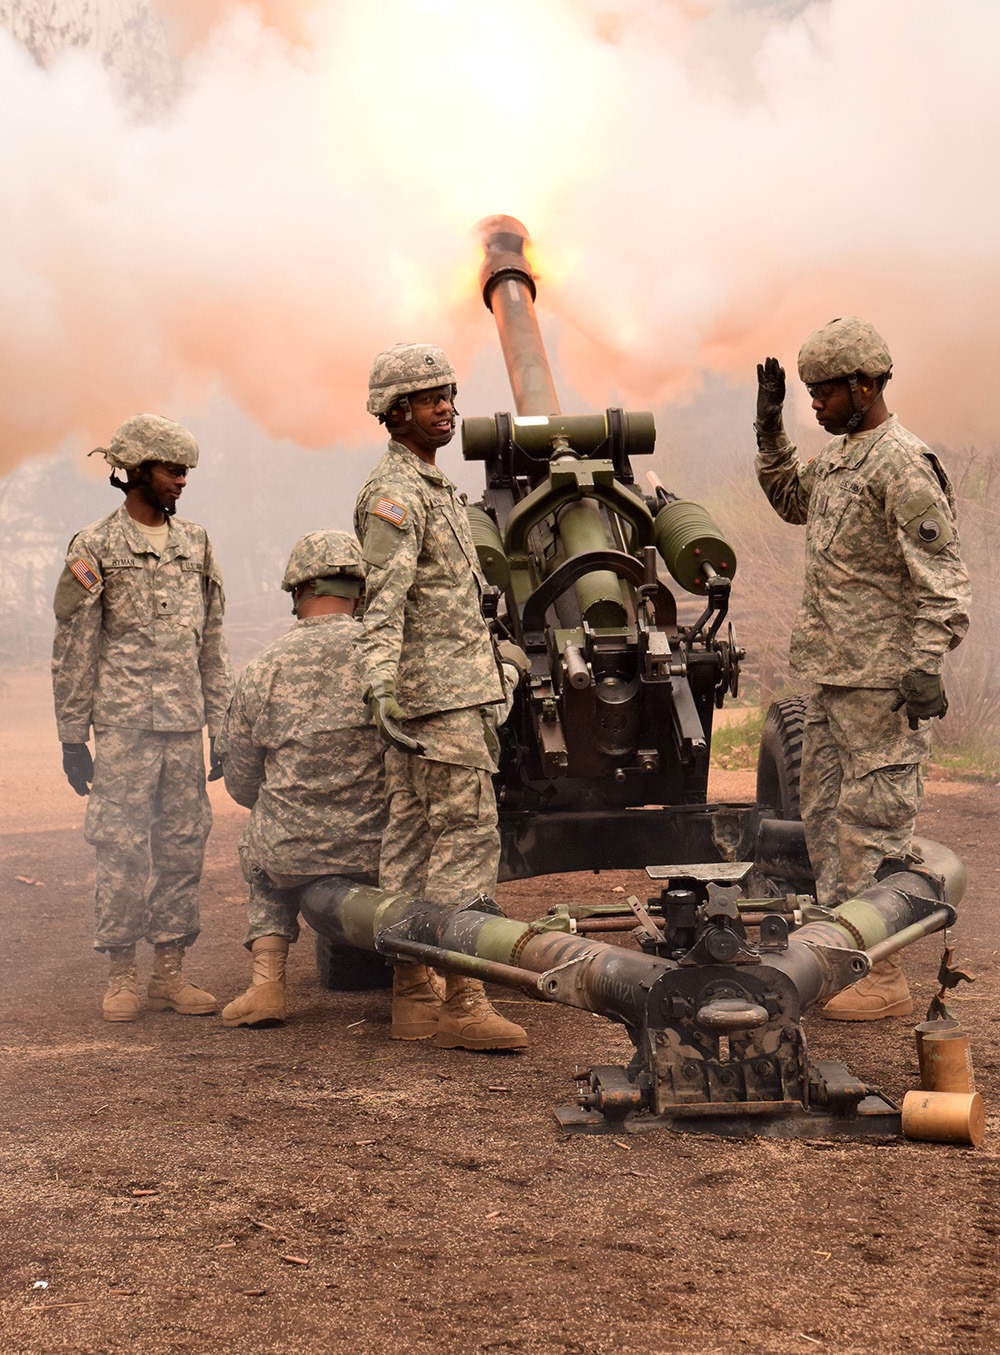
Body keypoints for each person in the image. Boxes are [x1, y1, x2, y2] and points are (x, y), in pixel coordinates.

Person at [754, 318, 971, 1019]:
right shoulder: (845, 458)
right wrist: (770, 428)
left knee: (874, 827)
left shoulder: (901, 463)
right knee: (824, 816)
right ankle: (838, 953)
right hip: (832, 674)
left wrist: (926, 664)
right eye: (808, 393)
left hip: (883, 684)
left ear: (865, 386)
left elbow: (941, 574)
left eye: (823, 393)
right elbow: (792, 500)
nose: (814, 403)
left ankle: (881, 975)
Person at [354, 342, 528, 1051]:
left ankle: (412, 991)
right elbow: (383, 602)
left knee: (412, 839)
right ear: (396, 413)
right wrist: (380, 686)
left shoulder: (432, 488)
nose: (446, 408)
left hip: (446, 695)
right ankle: (463, 994)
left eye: (449, 395)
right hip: (438, 702)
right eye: (431, 399)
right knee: (461, 838)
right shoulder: (396, 496)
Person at [52, 413, 233, 1022]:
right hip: (124, 729)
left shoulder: (197, 544)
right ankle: (122, 973)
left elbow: (211, 643)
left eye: (186, 471)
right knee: (122, 849)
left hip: (184, 728)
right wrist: (72, 737)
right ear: (136, 472)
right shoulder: (96, 546)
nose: (182, 481)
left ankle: (170, 972)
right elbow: (75, 644)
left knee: (183, 847)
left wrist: (222, 727)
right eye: (172, 470)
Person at [216, 530, 386, 1028]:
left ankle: (266, 985)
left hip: (294, 853)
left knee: (259, 840)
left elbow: (242, 785)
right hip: (380, 848)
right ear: (361, 591)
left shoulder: (264, 667)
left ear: (297, 592)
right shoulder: (391, 659)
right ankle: (419, 987)